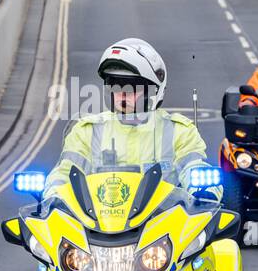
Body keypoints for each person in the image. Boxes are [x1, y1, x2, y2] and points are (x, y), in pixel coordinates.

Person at [45, 38, 221, 203]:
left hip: (163, 228)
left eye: (131, 86)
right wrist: (53, 195)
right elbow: (64, 172)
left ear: (152, 90)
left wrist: (204, 192)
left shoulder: (179, 131)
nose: (122, 94)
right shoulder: (87, 131)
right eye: (115, 84)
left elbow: (194, 167)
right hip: (97, 228)